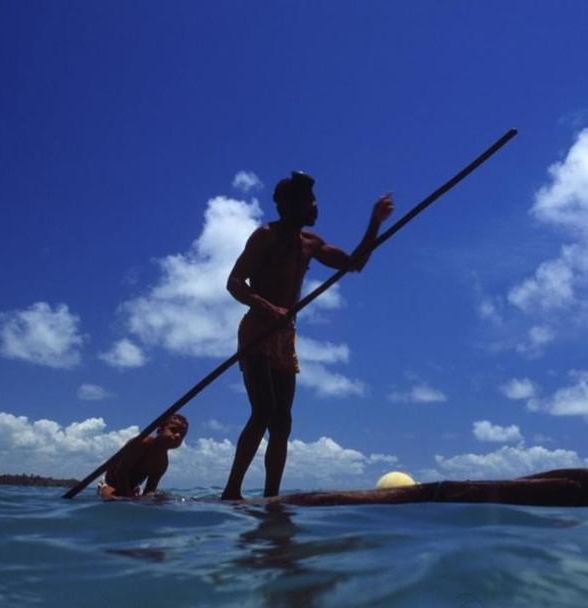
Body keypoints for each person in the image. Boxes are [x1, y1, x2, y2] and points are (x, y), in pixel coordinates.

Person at [221, 171, 394, 500]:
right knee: (263, 410)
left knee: (282, 421)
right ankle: (232, 492)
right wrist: (268, 307)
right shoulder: (265, 236)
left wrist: (375, 222)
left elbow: (353, 264)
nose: (316, 207)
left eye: (314, 201)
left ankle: (271, 497)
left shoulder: (310, 243)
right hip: (257, 328)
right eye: (309, 202)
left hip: (285, 336)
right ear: (289, 206)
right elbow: (234, 282)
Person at [98, 414, 189, 499]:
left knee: (157, 500)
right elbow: (120, 472)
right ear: (159, 431)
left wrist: (146, 499)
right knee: (115, 499)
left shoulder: (162, 464)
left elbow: (150, 490)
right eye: (173, 430)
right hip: (110, 482)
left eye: (182, 435)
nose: (178, 436)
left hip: (133, 488)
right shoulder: (142, 443)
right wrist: (128, 497)